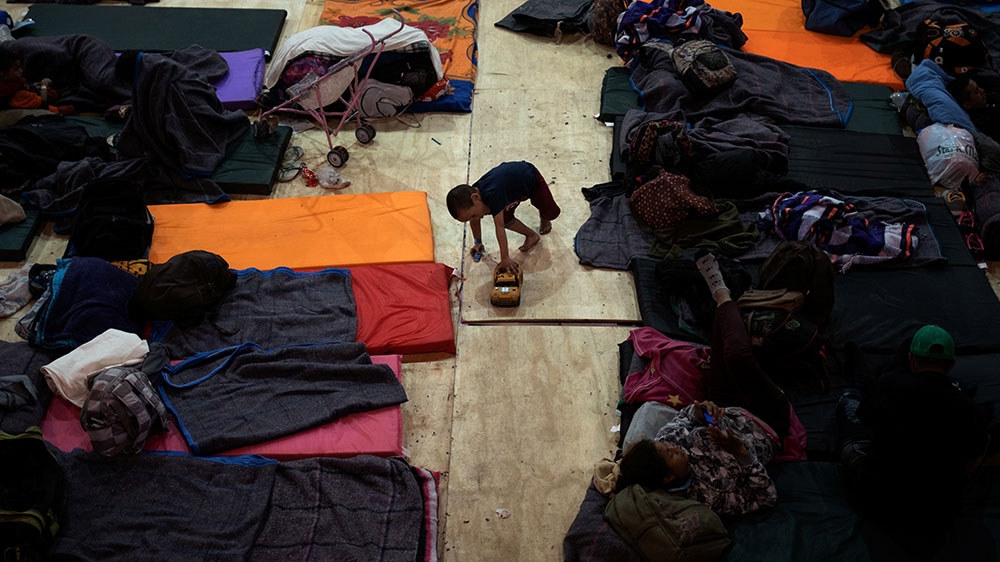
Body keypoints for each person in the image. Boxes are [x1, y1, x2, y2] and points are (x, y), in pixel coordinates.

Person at [616, 252, 795, 517]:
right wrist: (740, 451)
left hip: (727, 405)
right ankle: (722, 294)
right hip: (767, 421)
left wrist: (700, 411)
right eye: (671, 454)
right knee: (737, 357)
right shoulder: (708, 496)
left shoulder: (666, 440)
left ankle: (724, 301)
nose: (673, 445)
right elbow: (766, 497)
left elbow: (685, 418)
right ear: (667, 479)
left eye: (666, 445)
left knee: (722, 353)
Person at [837, 325, 992, 557]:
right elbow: (978, 451)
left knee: (850, 402)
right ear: (951, 365)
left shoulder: (889, 387)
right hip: (939, 513)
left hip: (879, 500)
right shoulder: (968, 408)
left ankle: (858, 372)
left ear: (912, 360)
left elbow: (865, 419)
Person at [446, 161, 560, 273]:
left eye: (473, 215)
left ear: (476, 197)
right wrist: (478, 242)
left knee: (552, 213)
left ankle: (544, 216)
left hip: (531, 180)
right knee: (506, 219)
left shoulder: (493, 194)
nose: (475, 218)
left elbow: (499, 227)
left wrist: (505, 258)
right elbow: (475, 221)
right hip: (511, 195)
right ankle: (531, 236)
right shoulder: (474, 197)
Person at [0, 51, 74, 115]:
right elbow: (42, 100)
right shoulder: (16, 94)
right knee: (68, 109)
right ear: (4, 74)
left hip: (31, 95)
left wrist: (34, 86)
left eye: (20, 67)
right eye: (16, 69)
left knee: (52, 93)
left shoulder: (13, 82)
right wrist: (44, 85)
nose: (21, 71)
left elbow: (25, 85)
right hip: (37, 105)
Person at [947, 75, 1000, 142]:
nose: (982, 90)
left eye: (978, 87)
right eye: (976, 92)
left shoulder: (989, 98)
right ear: (967, 104)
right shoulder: (985, 121)